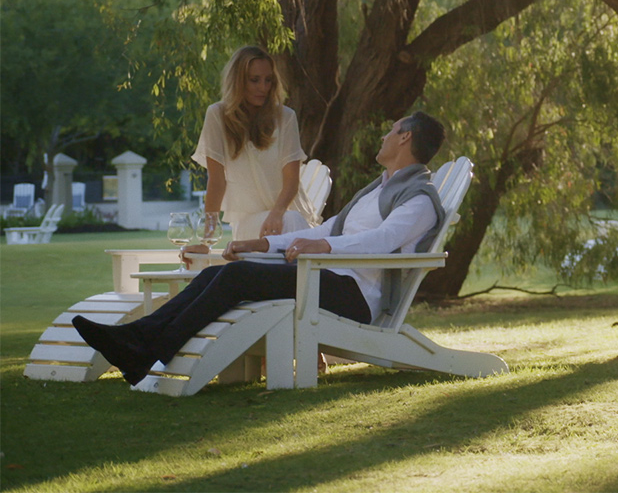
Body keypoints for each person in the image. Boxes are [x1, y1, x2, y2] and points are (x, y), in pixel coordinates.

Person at [72, 112, 448, 386]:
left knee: (238, 276)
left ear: (405, 138)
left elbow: (380, 242)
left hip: (355, 296)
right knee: (216, 272)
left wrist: (322, 246)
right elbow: (330, 228)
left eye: (392, 128)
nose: (385, 134)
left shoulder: (419, 200)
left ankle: (142, 346)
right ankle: (140, 341)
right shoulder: (377, 190)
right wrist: (263, 243)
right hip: (326, 279)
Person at [193, 45, 314, 242]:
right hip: (248, 223)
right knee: (290, 225)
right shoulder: (217, 116)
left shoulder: (285, 117)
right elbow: (216, 182)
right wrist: (206, 241)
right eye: (254, 80)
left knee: (290, 221)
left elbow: (291, 180)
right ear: (238, 81)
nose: (263, 88)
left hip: (287, 214)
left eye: (268, 80)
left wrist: (276, 213)